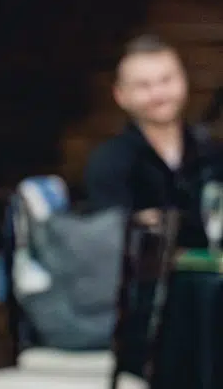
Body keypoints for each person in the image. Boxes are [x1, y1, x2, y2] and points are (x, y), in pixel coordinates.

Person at [83, 34, 221, 244]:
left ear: (184, 81)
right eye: (143, 85)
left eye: (166, 80)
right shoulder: (109, 162)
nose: (158, 93)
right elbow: (107, 245)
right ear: (120, 96)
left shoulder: (212, 155)